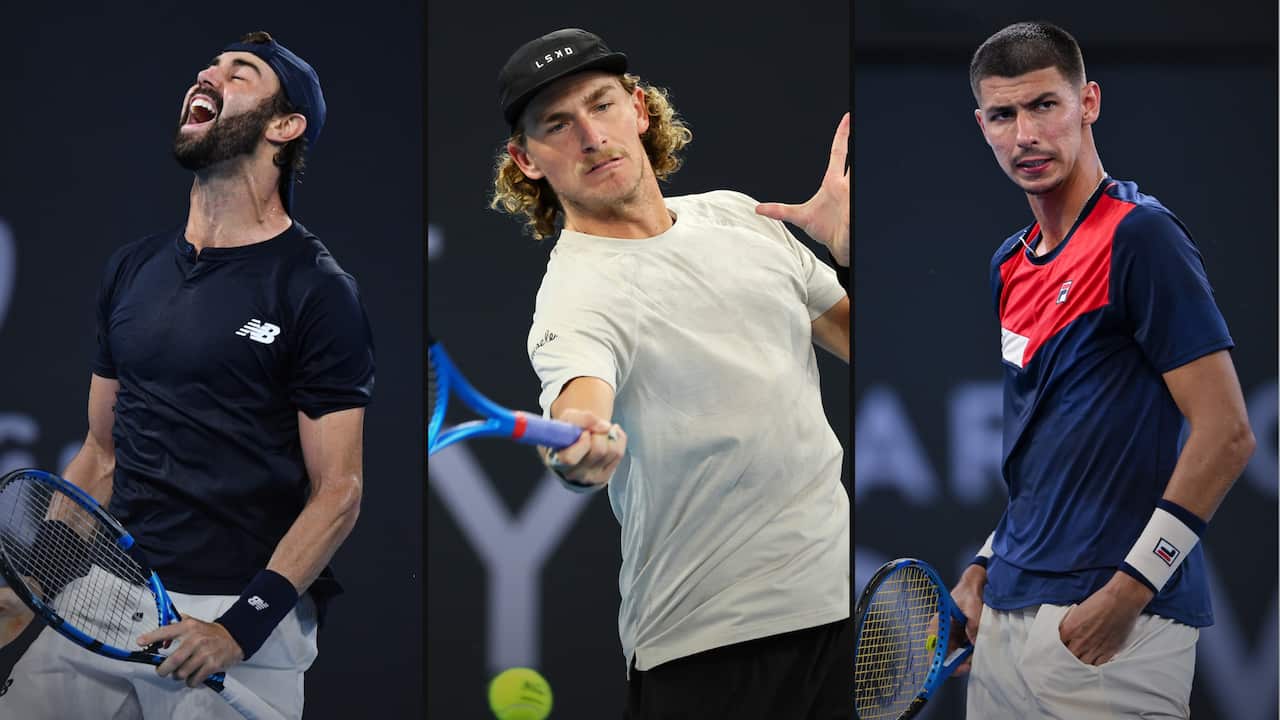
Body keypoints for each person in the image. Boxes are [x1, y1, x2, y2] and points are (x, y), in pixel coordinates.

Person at [0, 31, 374, 719]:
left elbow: (339, 491)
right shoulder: (132, 268)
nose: (208, 74)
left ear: (284, 126)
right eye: (208, 65)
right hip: (109, 589)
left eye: (241, 72)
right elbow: (100, 453)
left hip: (240, 613)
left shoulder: (316, 291)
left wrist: (240, 627)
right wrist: (36, 579)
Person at [490, 28, 850, 719]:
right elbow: (579, 405)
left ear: (640, 109)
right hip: (707, 646)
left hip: (833, 610)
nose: (590, 136)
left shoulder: (744, 218)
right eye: (556, 126)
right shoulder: (575, 293)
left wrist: (850, 252)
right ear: (526, 160)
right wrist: (579, 447)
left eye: (601, 105)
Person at [948, 21, 1255, 718]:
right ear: (982, 126)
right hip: (1004, 616)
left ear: (1088, 102)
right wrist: (987, 564)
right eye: (1003, 115)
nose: (1025, 134)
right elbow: (1050, 453)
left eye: (1044, 106)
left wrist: (1128, 592)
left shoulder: (1141, 238)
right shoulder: (1009, 264)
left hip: (1111, 627)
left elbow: (1228, 433)